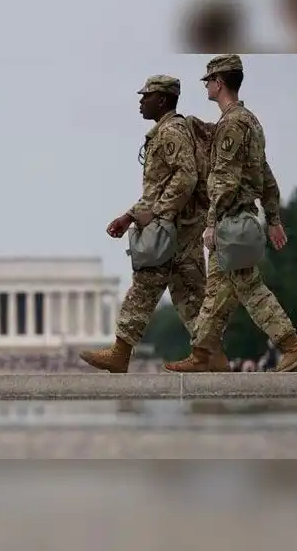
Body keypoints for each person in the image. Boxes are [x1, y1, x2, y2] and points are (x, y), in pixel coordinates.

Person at [165, 54, 297, 373]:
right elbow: (266, 175)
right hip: (245, 219)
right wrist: (273, 218)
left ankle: (292, 346)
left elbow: (224, 180)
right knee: (218, 292)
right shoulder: (251, 122)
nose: (206, 86)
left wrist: (211, 224)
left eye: (208, 81)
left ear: (219, 83)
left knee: (249, 287)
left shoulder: (231, 123)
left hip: (230, 221)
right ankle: (201, 355)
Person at [79, 75, 206, 373]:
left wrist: (158, 214)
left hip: (170, 228)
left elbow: (185, 176)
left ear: (162, 99)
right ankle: (213, 356)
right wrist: (130, 216)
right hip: (180, 226)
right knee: (191, 296)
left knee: (144, 287)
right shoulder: (164, 132)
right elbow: (158, 186)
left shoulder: (171, 131)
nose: (140, 101)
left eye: (145, 96)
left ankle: (120, 354)